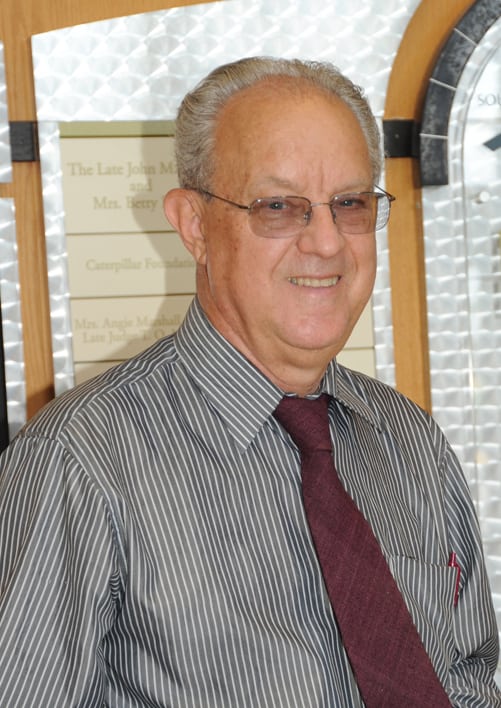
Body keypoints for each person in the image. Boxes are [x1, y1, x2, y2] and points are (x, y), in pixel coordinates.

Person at [0, 56, 499, 707]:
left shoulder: (407, 439)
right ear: (194, 225)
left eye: (348, 203)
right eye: (277, 207)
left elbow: (464, 683)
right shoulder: (81, 459)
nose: (325, 242)